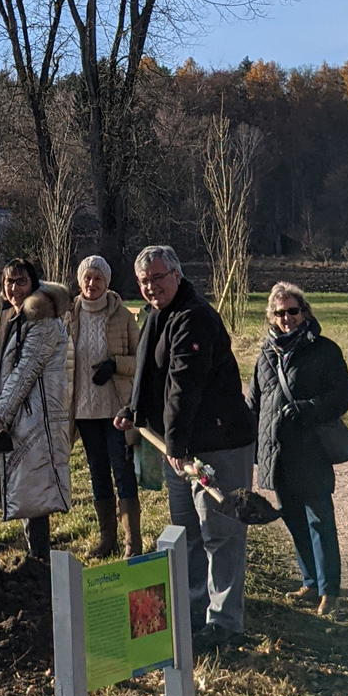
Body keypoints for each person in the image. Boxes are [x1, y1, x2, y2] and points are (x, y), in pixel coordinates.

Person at [117, 245, 257, 651]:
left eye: (157, 279)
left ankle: (225, 623)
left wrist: (175, 444)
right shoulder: (156, 315)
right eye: (143, 282)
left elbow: (184, 386)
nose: (150, 287)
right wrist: (135, 411)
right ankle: (193, 610)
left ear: (176, 275)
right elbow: (151, 375)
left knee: (221, 532)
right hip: (179, 446)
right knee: (186, 533)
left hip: (217, 442)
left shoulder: (194, 317)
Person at [249, 282, 348, 617]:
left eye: (293, 311)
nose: (286, 318)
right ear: (271, 316)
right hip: (277, 453)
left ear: (304, 311)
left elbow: (342, 396)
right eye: (279, 313)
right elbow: (254, 404)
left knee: (319, 521)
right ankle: (309, 582)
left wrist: (308, 408)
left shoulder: (324, 350)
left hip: (310, 451)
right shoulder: (266, 354)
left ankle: (330, 592)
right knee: (293, 520)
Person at [0, 258, 72, 559]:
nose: (13, 288)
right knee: (27, 490)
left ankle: (41, 562)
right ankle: (37, 560)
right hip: (18, 414)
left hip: (38, 418)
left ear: (33, 284)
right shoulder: (12, 318)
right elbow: (2, 369)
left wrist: (0, 418)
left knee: (35, 493)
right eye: (9, 281)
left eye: (21, 281)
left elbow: (24, 374)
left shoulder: (42, 321)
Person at [67, 254, 142, 558]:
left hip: (116, 411)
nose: (91, 283)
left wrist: (116, 364)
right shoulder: (69, 315)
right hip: (84, 411)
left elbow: (141, 361)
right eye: (87, 277)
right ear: (79, 280)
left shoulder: (122, 315)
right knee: (97, 472)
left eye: (98, 278)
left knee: (122, 473)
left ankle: (131, 542)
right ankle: (106, 538)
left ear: (107, 282)